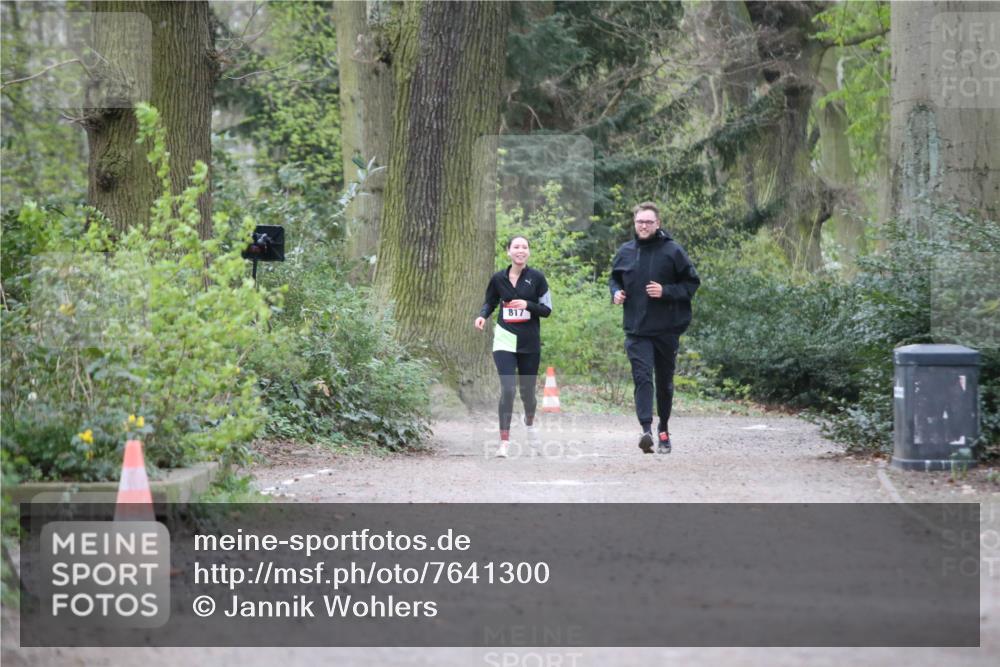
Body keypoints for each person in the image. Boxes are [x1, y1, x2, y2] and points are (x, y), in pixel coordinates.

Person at [609, 202, 700, 454]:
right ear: (634, 223)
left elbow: (692, 283)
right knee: (642, 377)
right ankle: (646, 430)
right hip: (637, 330)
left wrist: (666, 291)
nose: (644, 226)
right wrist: (615, 292)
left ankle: (664, 429)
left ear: (658, 223)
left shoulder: (673, 251)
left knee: (664, 383)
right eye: (640, 222)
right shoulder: (626, 251)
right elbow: (614, 277)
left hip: (666, 329)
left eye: (649, 222)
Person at [474, 236, 552, 458]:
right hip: (505, 339)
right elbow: (489, 301)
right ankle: (504, 442)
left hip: (529, 341)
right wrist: (482, 317)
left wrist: (528, 304)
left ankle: (529, 424)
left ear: (528, 252)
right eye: (516, 247)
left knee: (527, 393)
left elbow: (547, 310)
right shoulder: (498, 278)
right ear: (508, 251)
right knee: (508, 389)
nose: (521, 250)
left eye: (524, 247)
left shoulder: (537, 278)